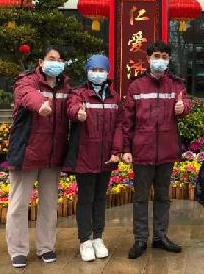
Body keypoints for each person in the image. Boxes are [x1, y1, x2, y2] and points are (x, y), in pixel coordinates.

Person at [119, 41, 191, 259]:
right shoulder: (136, 86)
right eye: (156, 56)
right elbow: (127, 121)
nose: (160, 60)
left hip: (166, 151)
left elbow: (185, 105)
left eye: (164, 57)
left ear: (169, 60)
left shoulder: (176, 85)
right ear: (148, 59)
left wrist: (183, 108)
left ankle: (160, 236)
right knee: (140, 198)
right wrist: (126, 148)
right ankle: (140, 239)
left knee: (163, 197)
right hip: (142, 151)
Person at [6, 47, 71, 269]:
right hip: (27, 153)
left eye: (60, 60)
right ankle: (18, 250)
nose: (56, 63)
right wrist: (40, 105)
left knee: (49, 205)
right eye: (51, 59)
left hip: (53, 155)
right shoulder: (27, 80)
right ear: (41, 62)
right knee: (18, 204)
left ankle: (46, 247)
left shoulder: (65, 86)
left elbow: (72, 107)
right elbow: (27, 95)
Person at [63, 54, 123, 262]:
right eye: (94, 70)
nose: (98, 73)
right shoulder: (79, 94)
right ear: (87, 72)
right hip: (85, 156)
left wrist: (116, 151)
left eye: (101, 70)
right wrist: (77, 114)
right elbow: (71, 108)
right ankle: (85, 240)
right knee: (86, 199)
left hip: (106, 158)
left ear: (107, 72)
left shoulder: (114, 97)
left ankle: (98, 237)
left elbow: (119, 126)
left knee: (100, 199)